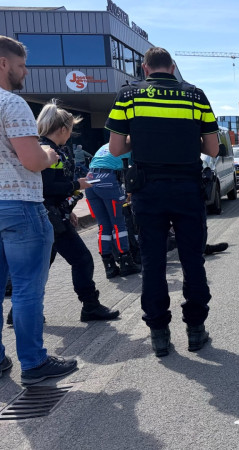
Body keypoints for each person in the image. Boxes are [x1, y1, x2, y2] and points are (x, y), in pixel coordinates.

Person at [106, 47, 219, 357]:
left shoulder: (128, 96)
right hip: (187, 189)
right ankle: (195, 330)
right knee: (192, 260)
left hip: (147, 191)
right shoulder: (195, 96)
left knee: (153, 263)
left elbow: (115, 149)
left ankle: (159, 335)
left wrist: (140, 138)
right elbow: (212, 149)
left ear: (145, 68)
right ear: (173, 67)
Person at [0, 36, 78, 385]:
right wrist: (49, 155)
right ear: (3, 63)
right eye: (21, 65)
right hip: (19, 205)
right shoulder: (11, 103)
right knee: (27, 289)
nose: (25, 72)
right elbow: (32, 160)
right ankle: (34, 362)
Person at [37, 101, 121, 322]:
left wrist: (67, 208)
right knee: (82, 259)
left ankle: (18, 311)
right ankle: (90, 306)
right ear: (62, 129)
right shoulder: (49, 151)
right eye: (71, 129)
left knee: (41, 267)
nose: (71, 134)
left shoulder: (47, 148)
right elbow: (46, 187)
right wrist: (77, 185)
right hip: (51, 217)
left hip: (53, 215)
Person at [85, 142, 141, 278]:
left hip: (89, 179)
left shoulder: (108, 144)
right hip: (108, 181)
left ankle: (109, 266)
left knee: (103, 225)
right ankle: (126, 262)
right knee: (118, 224)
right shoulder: (131, 145)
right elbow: (136, 168)